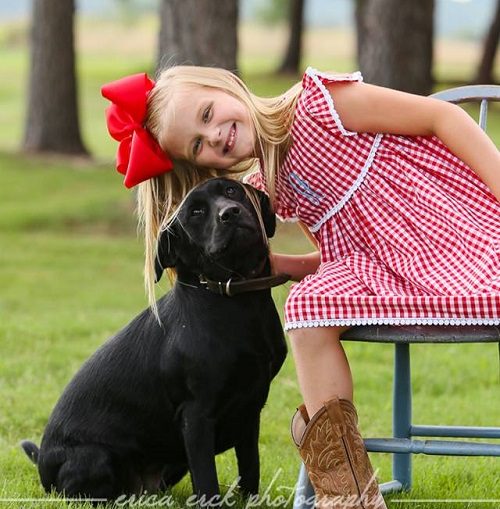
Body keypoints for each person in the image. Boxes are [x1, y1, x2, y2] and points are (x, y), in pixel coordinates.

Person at [102, 65, 500, 509]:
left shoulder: (320, 105)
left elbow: (444, 117)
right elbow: (344, 253)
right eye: (198, 145)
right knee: (306, 304)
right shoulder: (267, 185)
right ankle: (348, 492)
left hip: (461, 236)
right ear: (203, 165)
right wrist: (283, 266)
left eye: (208, 113)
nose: (213, 135)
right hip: (389, 269)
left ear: (226, 85)